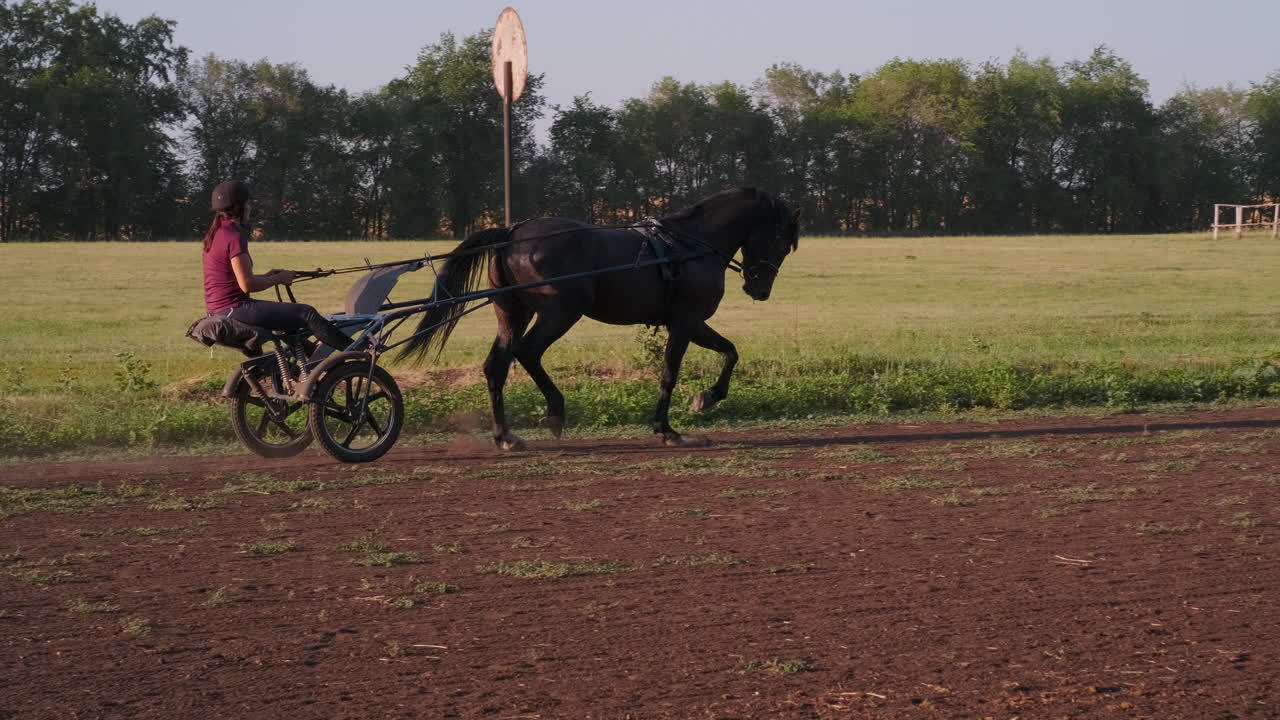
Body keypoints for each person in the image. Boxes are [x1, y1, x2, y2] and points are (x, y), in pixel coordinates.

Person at [201, 180, 353, 350]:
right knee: (306, 313)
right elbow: (247, 284)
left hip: (221, 310)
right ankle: (357, 352)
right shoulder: (234, 236)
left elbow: (234, 280)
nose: (250, 207)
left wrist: (269, 276)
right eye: (247, 203)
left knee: (291, 326)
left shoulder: (217, 233)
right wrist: (278, 278)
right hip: (235, 309)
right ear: (237, 207)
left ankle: (314, 366)